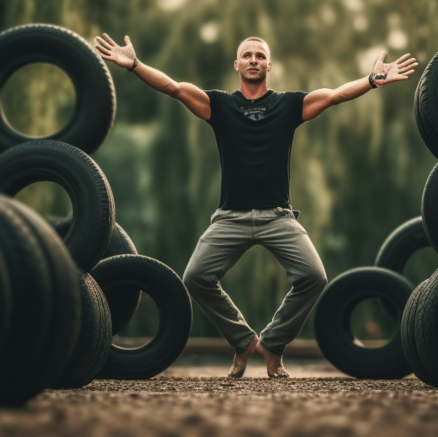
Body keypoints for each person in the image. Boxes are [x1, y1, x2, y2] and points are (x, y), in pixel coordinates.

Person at [92, 33, 417, 378]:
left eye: (260, 56)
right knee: (196, 277)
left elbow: (335, 95)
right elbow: (174, 88)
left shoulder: (289, 105)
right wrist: (135, 65)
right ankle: (245, 341)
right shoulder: (219, 105)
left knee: (313, 276)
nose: (253, 60)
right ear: (237, 65)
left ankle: (273, 344)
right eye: (246, 55)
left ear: (269, 65)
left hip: (278, 216)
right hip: (230, 216)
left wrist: (371, 80)